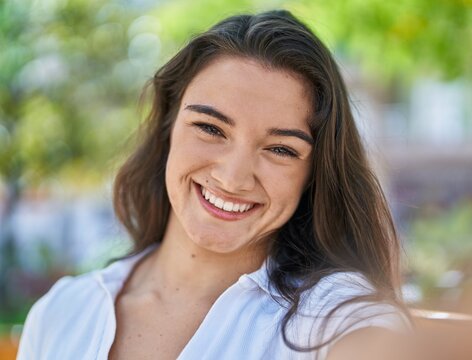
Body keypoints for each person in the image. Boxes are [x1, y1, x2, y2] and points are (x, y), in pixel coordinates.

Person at [16, 10, 410, 359]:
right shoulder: (60, 313)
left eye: (280, 149)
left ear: (313, 175)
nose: (232, 177)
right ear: (169, 124)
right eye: (210, 128)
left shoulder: (336, 318)